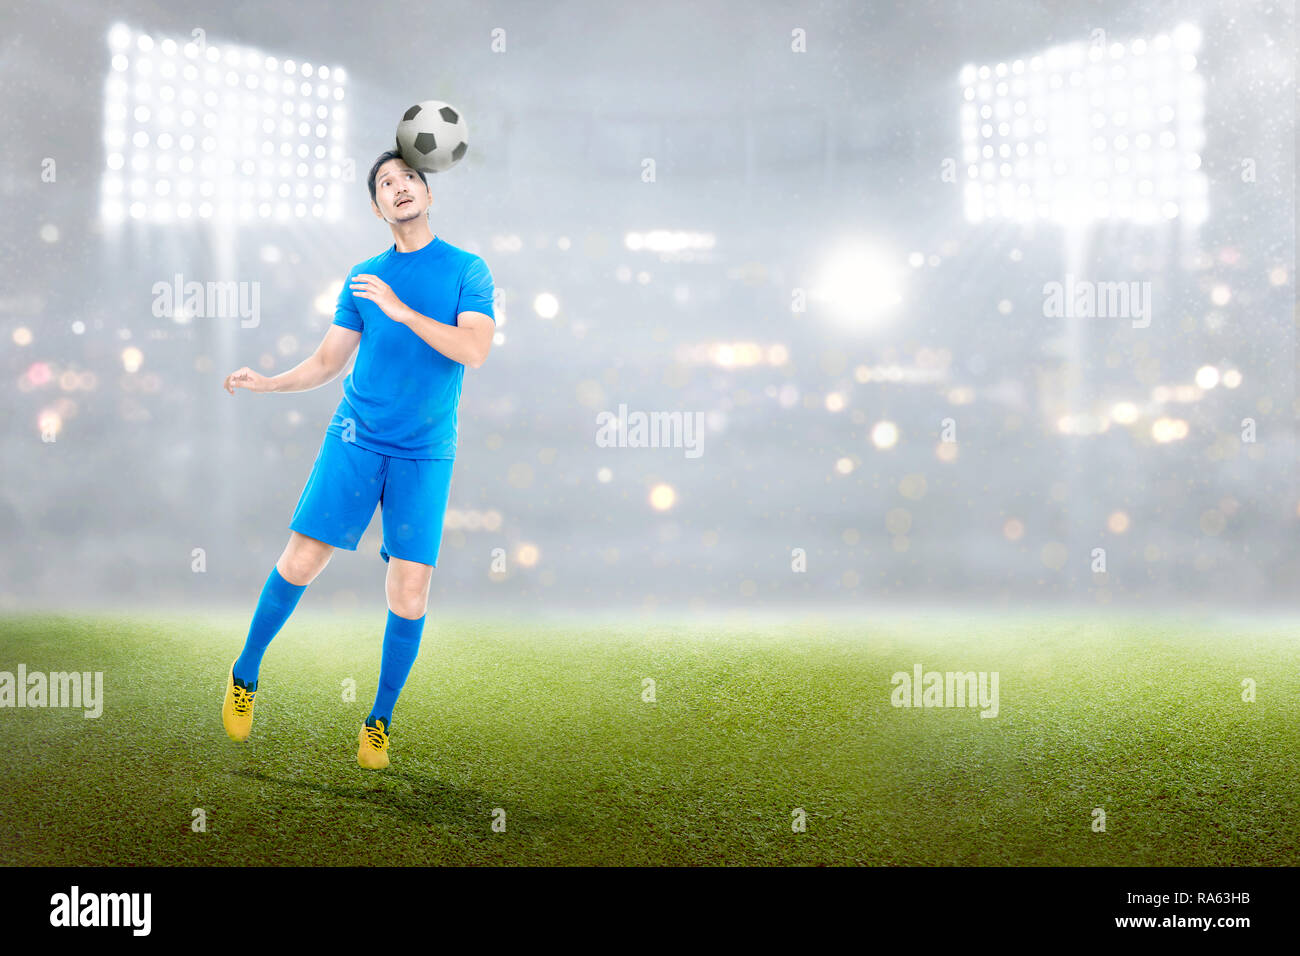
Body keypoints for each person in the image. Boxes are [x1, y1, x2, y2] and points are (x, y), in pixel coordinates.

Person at [219, 149, 495, 769]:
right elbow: (325, 364)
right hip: (356, 437)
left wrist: (401, 310)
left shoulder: (467, 271)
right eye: (386, 183)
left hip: (426, 452)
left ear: (429, 193)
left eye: (408, 179)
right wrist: (266, 382)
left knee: (410, 591)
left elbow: (473, 350)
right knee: (303, 558)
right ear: (376, 207)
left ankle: (378, 721)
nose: (399, 188)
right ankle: (244, 672)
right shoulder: (363, 276)